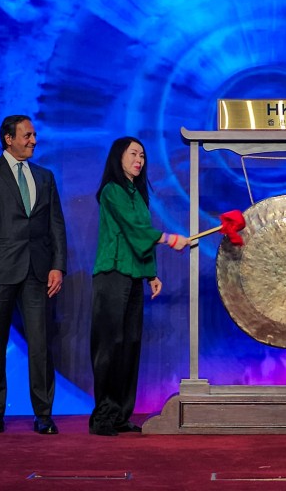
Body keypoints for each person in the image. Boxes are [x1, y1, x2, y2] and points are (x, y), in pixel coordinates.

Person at [0, 114, 67, 436]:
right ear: (8, 139)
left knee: (40, 345)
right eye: (27, 135)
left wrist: (58, 265)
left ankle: (44, 414)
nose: (33, 140)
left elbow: (56, 226)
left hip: (38, 273)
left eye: (34, 135)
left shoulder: (45, 176)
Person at [89, 137, 189, 436]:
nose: (139, 159)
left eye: (143, 155)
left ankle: (120, 414)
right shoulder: (112, 191)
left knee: (130, 345)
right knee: (109, 345)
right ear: (118, 158)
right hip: (112, 275)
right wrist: (169, 239)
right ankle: (103, 416)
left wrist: (150, 274)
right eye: (133, 154)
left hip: (132, 276)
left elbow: (139, 239)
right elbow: (136, 231)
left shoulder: (137, 193)